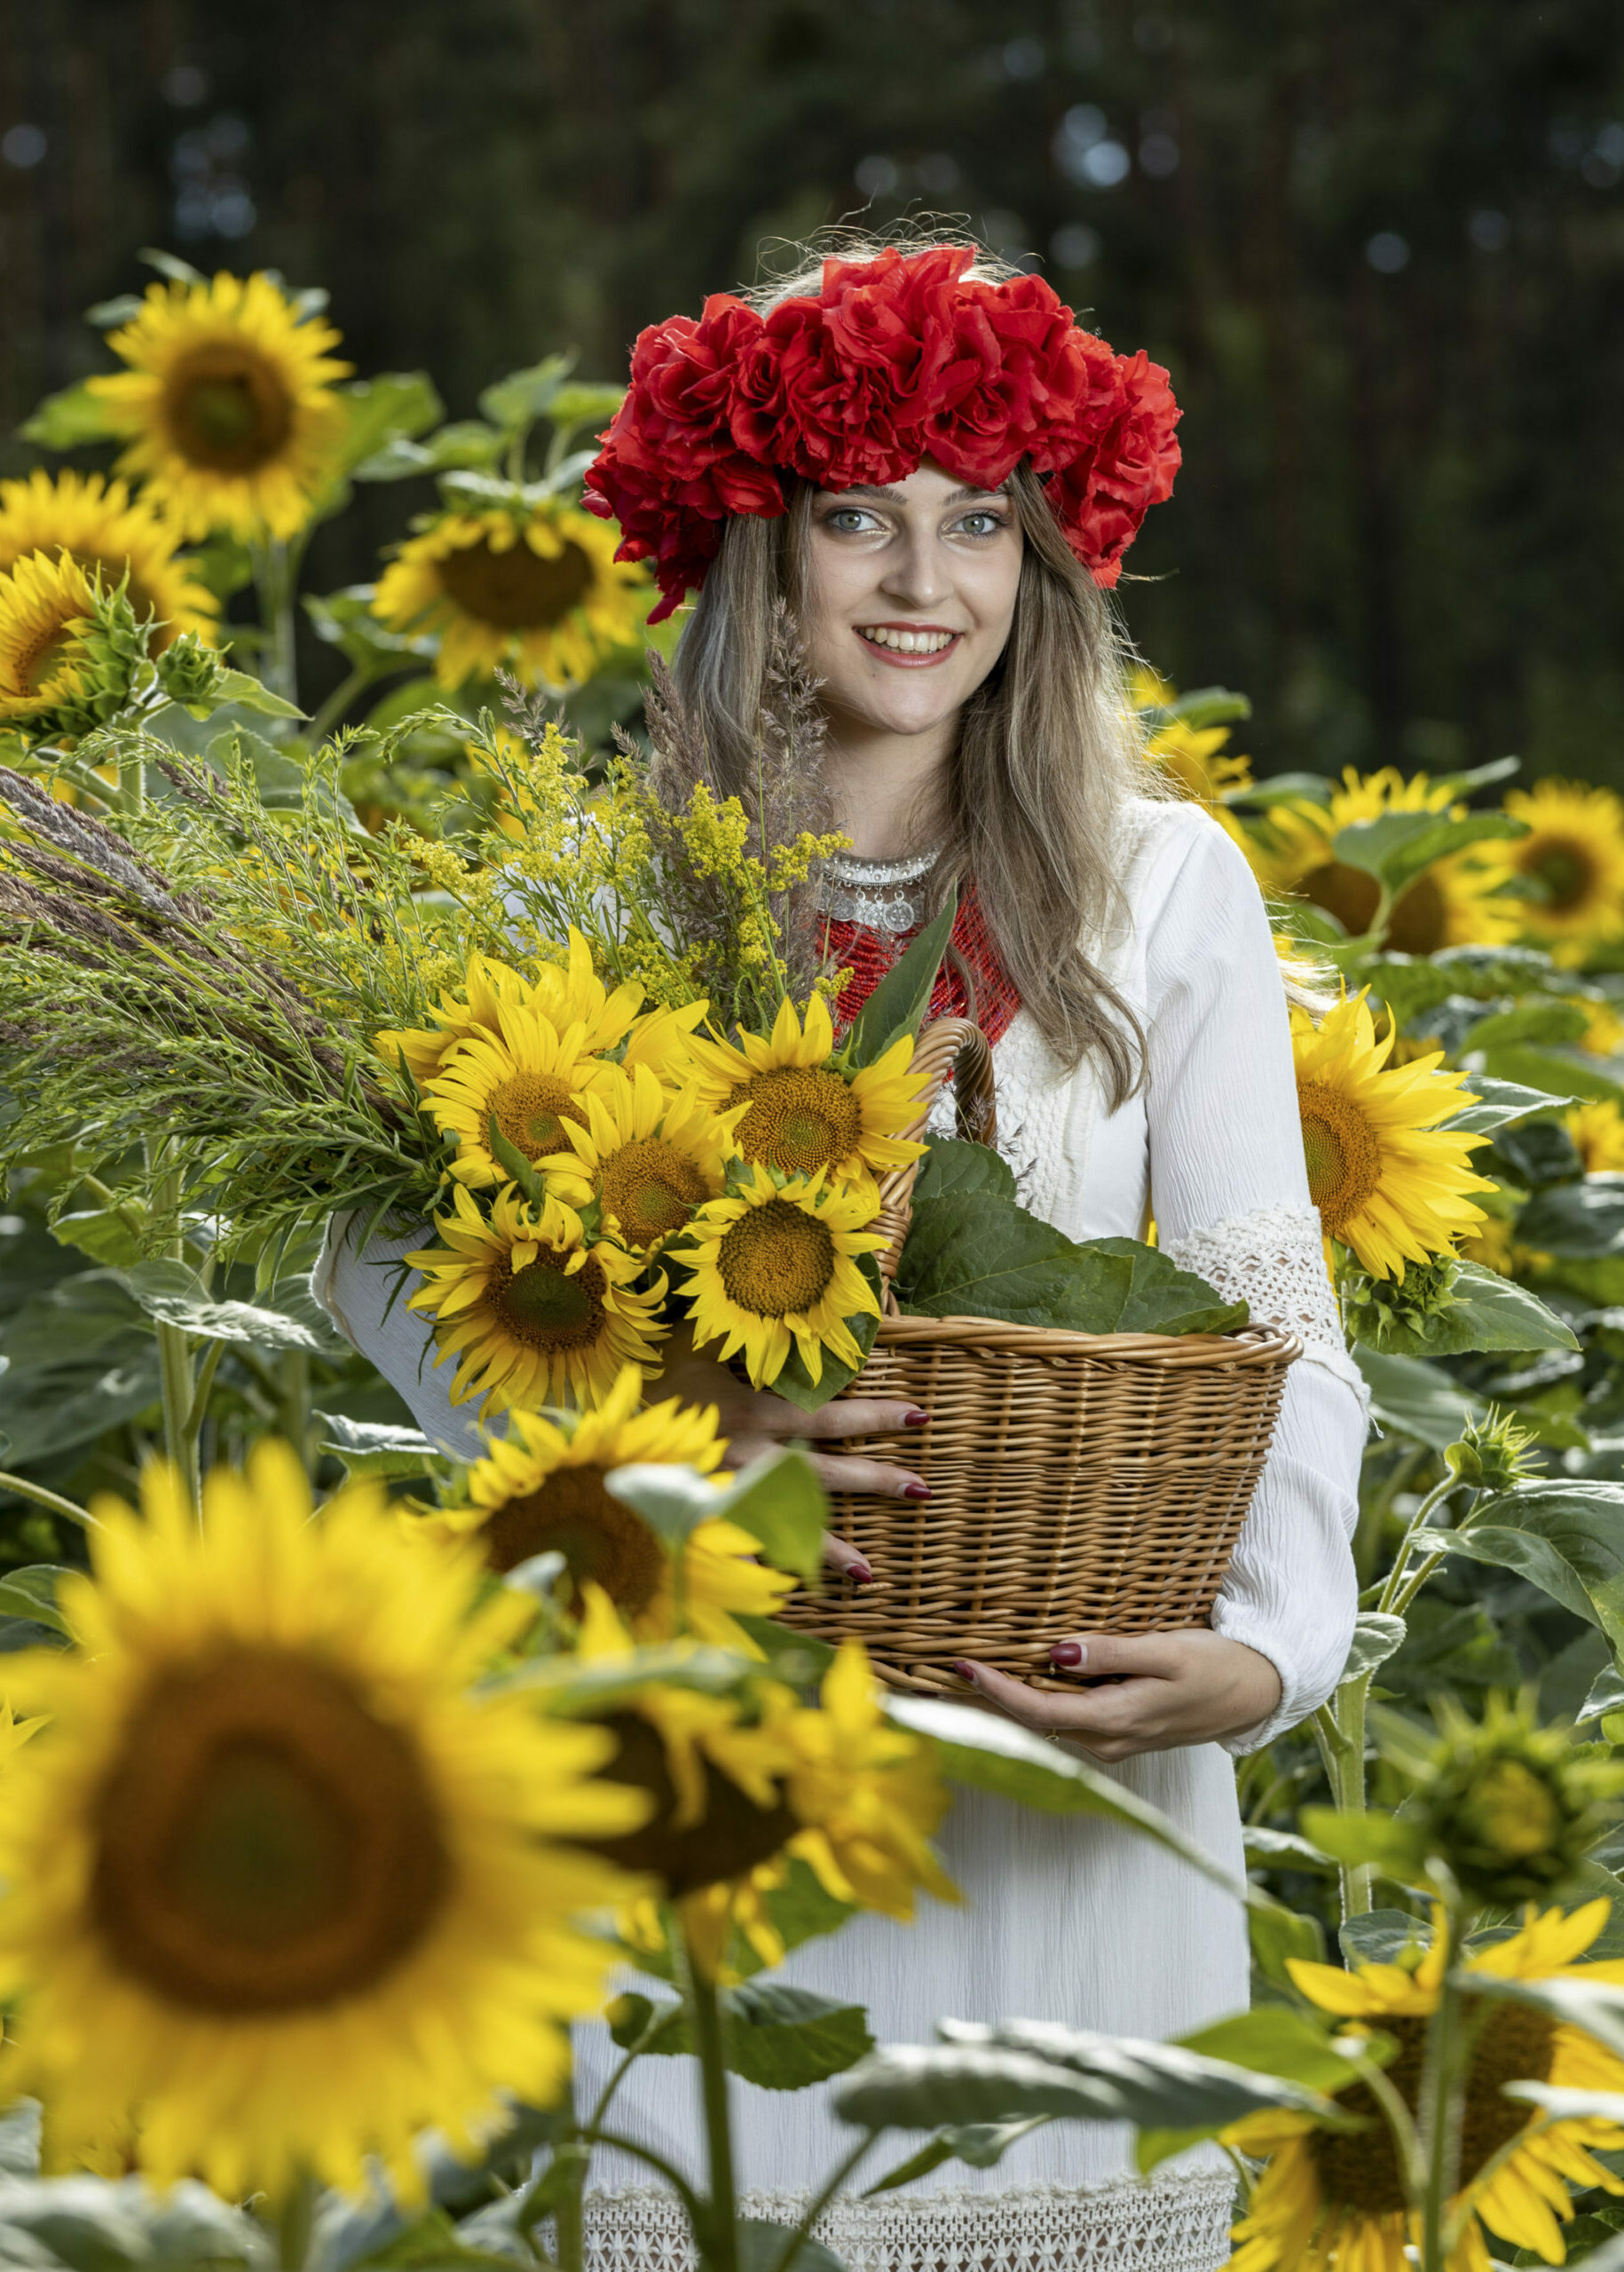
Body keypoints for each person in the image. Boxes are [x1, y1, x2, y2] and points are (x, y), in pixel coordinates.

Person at [315, 233, 1365, 2272]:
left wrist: (1265, 1651)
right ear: (753, 545)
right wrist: (670, 1433)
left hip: (1075, 1806)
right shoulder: (597, 881)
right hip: (718, 1786)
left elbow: (1273, 1310)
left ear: (1046, 556)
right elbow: (382, 1241)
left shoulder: (1164, 883)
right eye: (854, 518)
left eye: (980, 520)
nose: (923, 581)